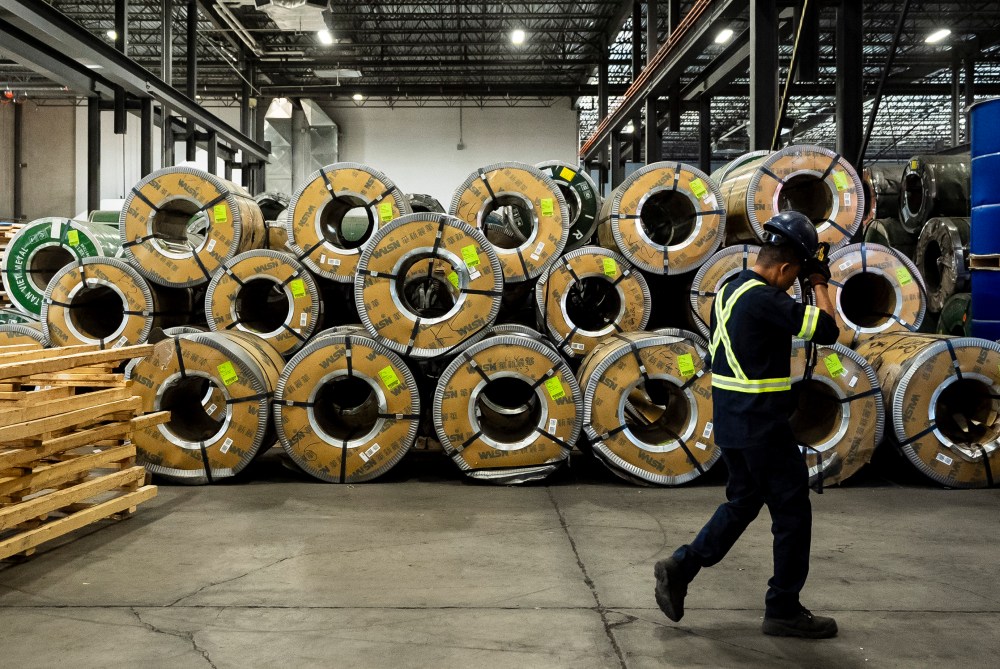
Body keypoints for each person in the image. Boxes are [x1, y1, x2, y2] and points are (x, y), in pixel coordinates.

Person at [654, 211, 841, 639]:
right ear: (785, 268)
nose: (792, 285)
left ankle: (681, 567)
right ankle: (783, 609)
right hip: (762, 426)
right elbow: (828, 330)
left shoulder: (730, 288)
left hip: (734, 422)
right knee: (792, 514)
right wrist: (818, 282)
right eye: (794, 276)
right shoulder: (765, 300)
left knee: (742, 503)